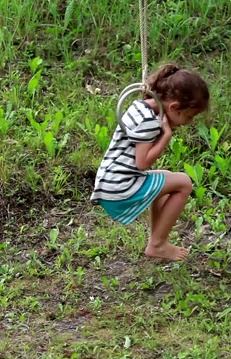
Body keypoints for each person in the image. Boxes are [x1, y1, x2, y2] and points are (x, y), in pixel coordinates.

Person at [90, 64, 210, 261]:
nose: (188, 122)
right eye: (188, 116)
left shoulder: (142, 107)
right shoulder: (149, 121)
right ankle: (157, 244)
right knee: (183, 183)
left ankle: (157, 240)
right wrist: (166, 136)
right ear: (174, 107)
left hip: (109, 183)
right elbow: (142, 163)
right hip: (120, 188)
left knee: (164, 180)